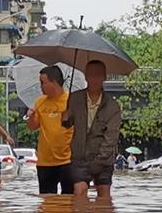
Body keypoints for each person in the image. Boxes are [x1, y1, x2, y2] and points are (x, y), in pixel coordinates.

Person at [64, 59, 123, 203]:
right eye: (91, 75)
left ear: (105, 77)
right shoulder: (75, 98)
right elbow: (67, 124)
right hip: (79, 156)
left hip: (103, 159)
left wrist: (100, 160)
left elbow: (111, 137)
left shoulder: (113, 106)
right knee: (79, 192)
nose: (94, 79)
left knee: (104, 197)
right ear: (85, 76)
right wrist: (65, 118)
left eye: (98, 75)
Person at [25, 65, 73, 195]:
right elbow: (32, 127)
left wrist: (69, 117)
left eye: (43, 83)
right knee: (47, 203)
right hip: (45, 162)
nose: (41, 86)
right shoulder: (40, 102)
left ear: (54, 82)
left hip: (67, 160)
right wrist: (30, 117)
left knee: (68, 201)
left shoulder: (72, 101)